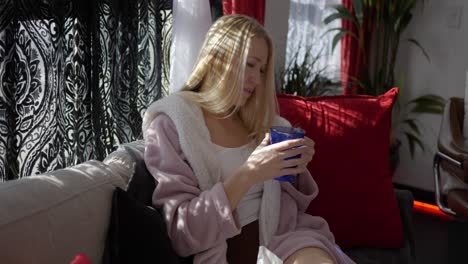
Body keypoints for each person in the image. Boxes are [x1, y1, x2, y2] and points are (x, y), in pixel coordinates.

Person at [143, 14, 354, 264]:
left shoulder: (264, 124)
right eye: (249, 65)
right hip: (224, 248)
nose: (257, 79)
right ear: (219, 58)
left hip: (282, 238)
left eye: (262, 69)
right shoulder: (172, 123)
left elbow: (288, 206)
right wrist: (250, 172)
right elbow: (183, 232)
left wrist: (295, 166)